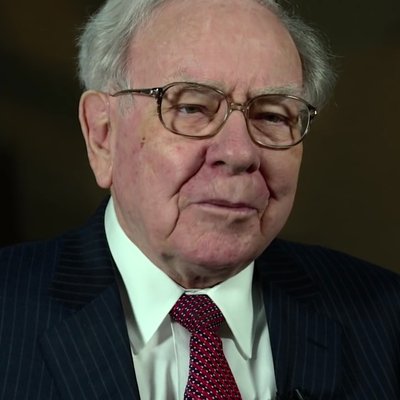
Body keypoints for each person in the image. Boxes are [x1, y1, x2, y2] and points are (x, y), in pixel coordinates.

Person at [0, 0, 399, 399]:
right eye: (191, 108)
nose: (239, 152)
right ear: (102, 135)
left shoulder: (386, 319)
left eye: (272, 116)